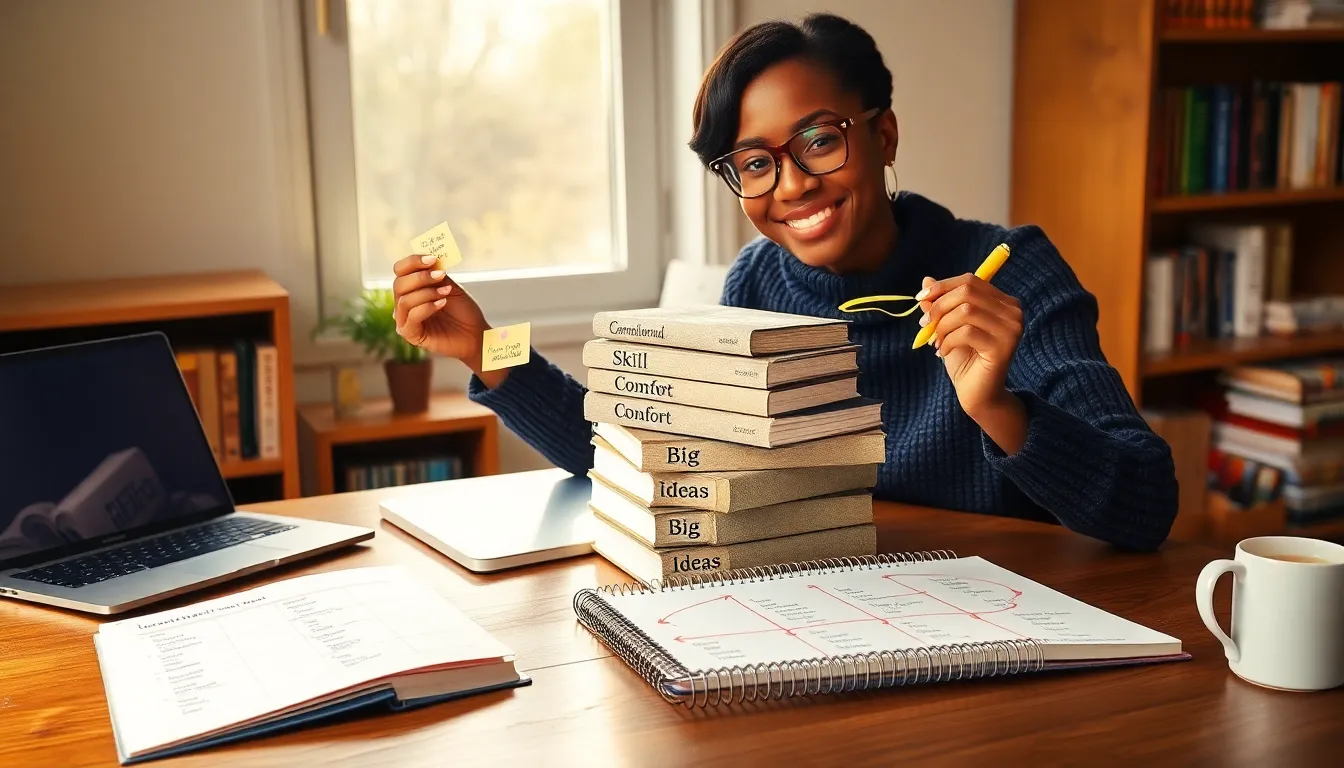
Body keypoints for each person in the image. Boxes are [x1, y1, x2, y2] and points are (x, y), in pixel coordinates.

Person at [390, 13, 1178, 551]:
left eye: (818, 140)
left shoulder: (1010, 272)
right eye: (757, 163)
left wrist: (998, 407)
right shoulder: (759, 283)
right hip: (828, 616)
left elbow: (1146, 506)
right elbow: (653, 462)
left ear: (884, 133)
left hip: (1010, 627)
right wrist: (484, 347)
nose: (793, 185)